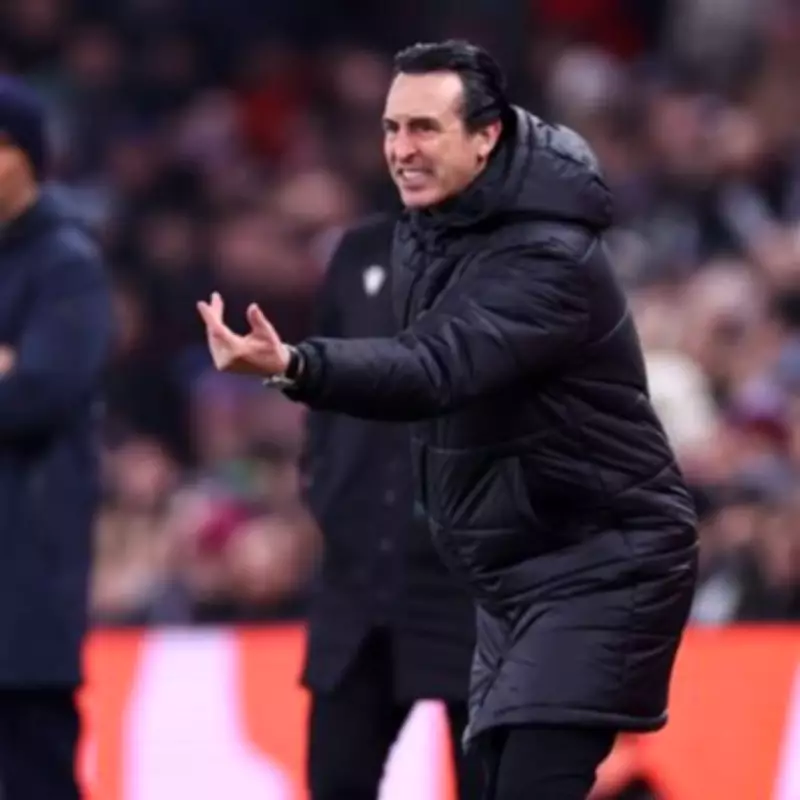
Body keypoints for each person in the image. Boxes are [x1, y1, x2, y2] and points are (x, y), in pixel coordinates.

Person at [198, 40, 699, 800]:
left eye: (425, 128)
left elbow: (433, 368)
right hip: (506, 571)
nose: (402, 149)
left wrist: (295, 364)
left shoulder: (544, 257)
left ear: (486, 136)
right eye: (392, 128)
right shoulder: (427, 239)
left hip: (596, 562)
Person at [301, 212, 481, 799]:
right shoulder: (360, 250)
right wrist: (326, 487)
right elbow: (321, 386)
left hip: (478, 584)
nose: (406, 161)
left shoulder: (522, 250)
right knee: (336, 780)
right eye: (395, 132)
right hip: (361, 570)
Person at [0, 77, 114, 798]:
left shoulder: (67, 264)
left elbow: (38, 392)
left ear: (24, 155)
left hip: (24, 583)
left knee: (34, 773)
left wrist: (16, 372)